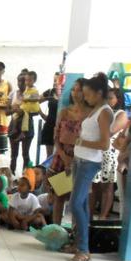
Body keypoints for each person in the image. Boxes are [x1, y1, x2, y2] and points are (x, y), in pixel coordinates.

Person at [67, 73, 114, 261]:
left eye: (88, 94)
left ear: (99, 93)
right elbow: (80, 111)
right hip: (80, 159)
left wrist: (79, 141)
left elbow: (104, 144)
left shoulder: (105, 112)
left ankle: (84, 248)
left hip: (89, 162)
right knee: (83, 205)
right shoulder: (95, 109)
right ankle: (81, 244)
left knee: (75, 203)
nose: (85, 97)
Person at [50, 79, 87, 226]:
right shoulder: (64, 112)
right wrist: (64, 157)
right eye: (73, 90)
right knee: (59, 196)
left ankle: (75, 232)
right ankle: (55, 230)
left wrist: (73, 159)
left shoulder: (90, 115)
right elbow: (56, 137)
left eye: (79, 90)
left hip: (81, 157)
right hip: (62, 156)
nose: (75, 93)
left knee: (77, 199)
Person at [91, 86, 129, 220]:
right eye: (106, 98)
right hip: (97, 151)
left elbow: (111, 130)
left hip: (110, 153)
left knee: (107, 186)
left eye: (110, 98)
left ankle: (102, 216)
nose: (107, 100)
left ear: (118, 99)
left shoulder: (121, 114)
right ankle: (89, 216)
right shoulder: (102, 111)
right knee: (94, 185)